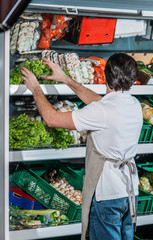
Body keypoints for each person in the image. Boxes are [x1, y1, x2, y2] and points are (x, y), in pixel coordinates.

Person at [20, 53, 143, 240]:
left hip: (107, 193)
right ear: (133, 78)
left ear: (107, 76)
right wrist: (66, 79)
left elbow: (52, 119)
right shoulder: (133, 104)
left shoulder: (102, 110)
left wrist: (35, 88)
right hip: (129, 191)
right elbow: (100, 102)